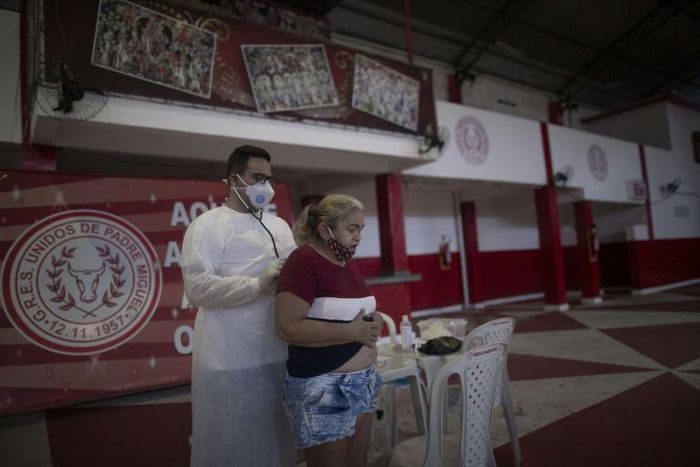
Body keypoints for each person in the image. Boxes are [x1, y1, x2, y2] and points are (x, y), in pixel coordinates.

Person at [181, 145, 296, 467]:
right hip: (228, 356)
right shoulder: (207, 226)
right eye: (257, 177)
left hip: (277, 352)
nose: (266, 187)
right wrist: (256, 283)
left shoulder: (280, 228)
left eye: (269, 179)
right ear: (234, 179)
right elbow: (198, 288)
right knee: (231, 440)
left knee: (276, 435)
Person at [275, 194, 383, 467]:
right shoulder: (304, 260)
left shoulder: (345, 261)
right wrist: (353, 333)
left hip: (363, 381)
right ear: (326, 230)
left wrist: (375, 319)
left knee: (356, 462)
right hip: (325, 385)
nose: (358, 236)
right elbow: (287, 327)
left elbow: (348, 310)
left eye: (361, 229)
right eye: (351, 229)